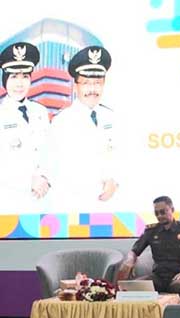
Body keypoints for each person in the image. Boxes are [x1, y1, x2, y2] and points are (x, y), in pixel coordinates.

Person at [49, 45, 120, 211]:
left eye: (97, 83)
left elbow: (124, 158)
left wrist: (115, 180)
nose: (92, 90)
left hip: (112, 210)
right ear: (75, 86)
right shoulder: (61, 122)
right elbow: (57, 170)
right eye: (86, 83)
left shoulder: (114, 118)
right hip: (75, 209)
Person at [118, 196, 180, 303]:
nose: (159, 216)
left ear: (172, 210)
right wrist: (130, 260)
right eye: (156, 213)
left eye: (163, 212)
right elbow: (134, 251)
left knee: (178, 287)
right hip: (158, 276)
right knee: (133, 287)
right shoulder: (151, 231)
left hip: (177, 275)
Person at [0, 42, 50, 213]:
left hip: (43, 201)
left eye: (25, 77)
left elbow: (50, 153)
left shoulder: (41, 111)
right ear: (5, 80)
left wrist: (46, 178)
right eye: (14, 77)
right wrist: (28, 181)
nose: (20, 84)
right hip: (9, 203)